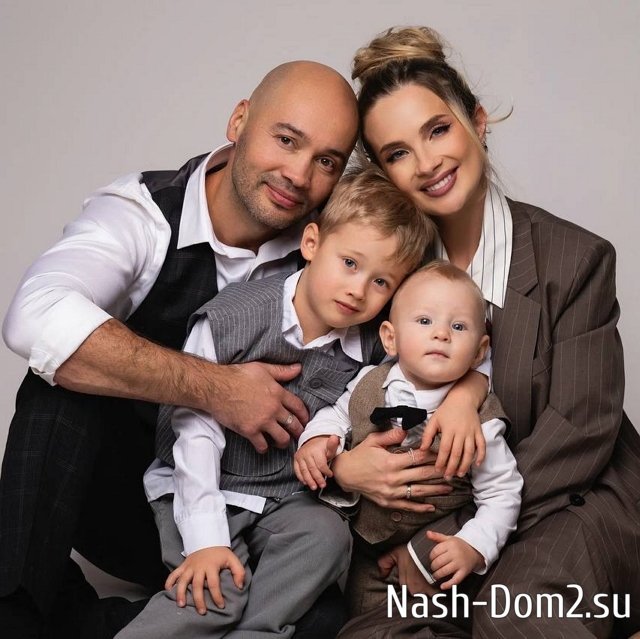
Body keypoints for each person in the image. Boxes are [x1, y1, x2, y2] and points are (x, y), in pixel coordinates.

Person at [0, 58, 488, 638]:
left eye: (327, 161)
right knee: (60, 384)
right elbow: (34, 316)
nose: (298, 175)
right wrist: (218, 389)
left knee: (321, 618)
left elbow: (438, 332)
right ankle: (14, 613)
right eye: (286, 140)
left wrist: (465, 394)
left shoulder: (346, 249)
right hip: (146, 496)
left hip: (267, 511)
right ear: (238, 122)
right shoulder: (146, 214)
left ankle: (109, 624)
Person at [327, 26, 640, 638]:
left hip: (573, 500)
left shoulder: (574, 259)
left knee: (512, 614)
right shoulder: (385, 273)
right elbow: (348, 391)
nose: (427, 164)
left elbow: (582, 429)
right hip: (428, 524)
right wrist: (345, 470)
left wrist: (452, 535)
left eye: (437, 130)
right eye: (397, 153)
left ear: (476, 121)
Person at [117, 165, 436, 639]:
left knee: (326, 536)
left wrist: (468, 392)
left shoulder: (374, 344)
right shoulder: (236, 315)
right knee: (216, 597)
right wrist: (205, 541)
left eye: (381, 283)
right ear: (312, 243)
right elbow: (194, 429)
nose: (358, 290)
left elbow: (443, 364)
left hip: (284, 499)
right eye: (350, 263)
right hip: (207, 485)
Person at [295, 261, 522, 617]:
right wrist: (318, 439)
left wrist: (474, 545)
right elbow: (337, 415)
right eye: (425, 321)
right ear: (390, 338)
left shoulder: (481, 423)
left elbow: (502, 493)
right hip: (360, 547)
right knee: (356, 619)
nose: (441, 334)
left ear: (479, 352)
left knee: (426, 621)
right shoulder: (369, 381)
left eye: (458, 326)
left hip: (431, 557)